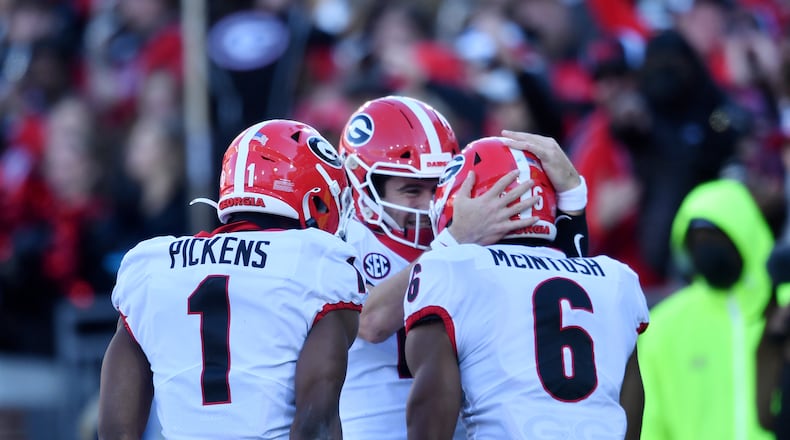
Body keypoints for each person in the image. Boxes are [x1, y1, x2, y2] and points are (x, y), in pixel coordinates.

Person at [336, 95, 590, 439]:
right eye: (412, 189)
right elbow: (370, 322)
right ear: (361, 184)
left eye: (436, 185)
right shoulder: (337, 241)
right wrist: (453, 242)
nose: (429, 204)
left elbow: (562, 293)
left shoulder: (473, 235)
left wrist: (573, 200)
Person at [97, 119, 365, 439]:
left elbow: (115, 430)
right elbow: (316, 422)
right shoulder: (316, 263)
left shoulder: (152, 266)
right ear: (315, 200)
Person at [402, 136, 649, 439]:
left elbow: (431, 404)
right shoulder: (615, 278)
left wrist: (449, 243)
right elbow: (630, 410)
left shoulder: (450, 268)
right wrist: (574, 198)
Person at [633, 178, 776, 440]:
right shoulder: (664, 327)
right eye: (697, 240)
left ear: (745, 235)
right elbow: (650, 423)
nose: (707, 248)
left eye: (717, 237)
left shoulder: (782, 310)